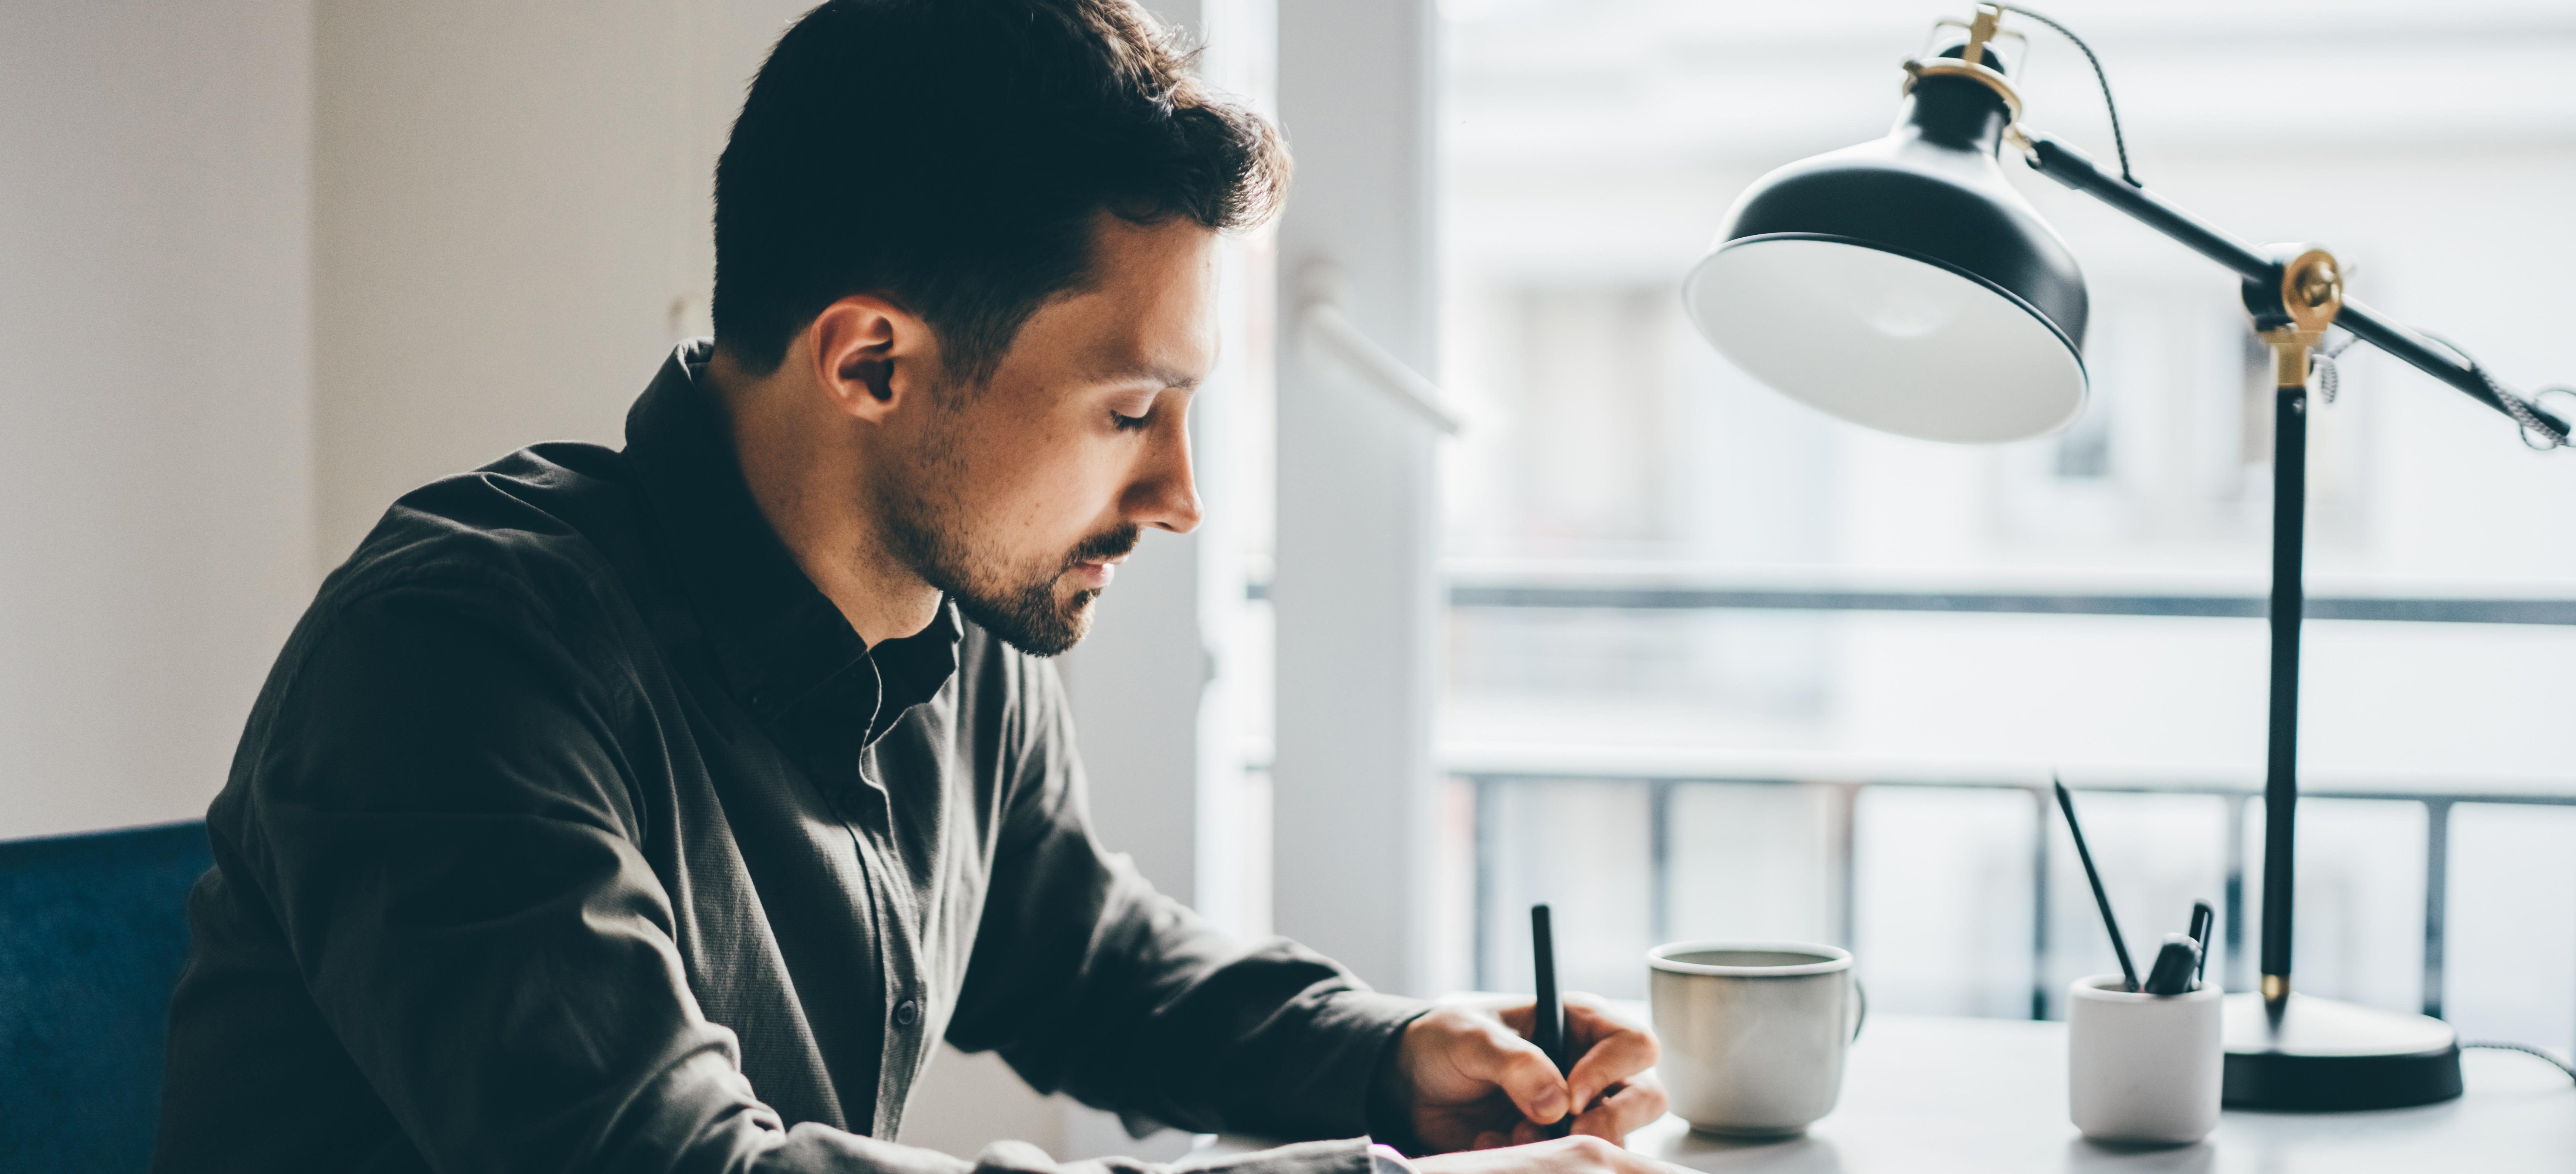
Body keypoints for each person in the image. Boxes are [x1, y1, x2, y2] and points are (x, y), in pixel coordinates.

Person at [153, 3, 1671, 1173]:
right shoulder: (453, 660)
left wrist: (1390, 1057)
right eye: (1131, 411)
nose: (1181, 497)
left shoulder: (951, 614)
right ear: (871, 361)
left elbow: (1086, 956)